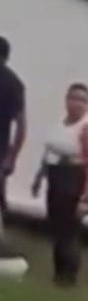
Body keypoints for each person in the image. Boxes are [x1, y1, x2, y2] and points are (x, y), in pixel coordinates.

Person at [31, 83, 88, 287]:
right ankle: (58, 273)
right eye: (74, 98)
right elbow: (50, 152)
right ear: (66, 100)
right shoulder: (61, 124)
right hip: (56, 175)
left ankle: (68, 277)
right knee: (56, 227)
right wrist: (39, 177)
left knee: (68, 230)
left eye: (83, 100)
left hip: (73, 178)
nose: (77, 104)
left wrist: (87, 196)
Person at [0, 36, 27, 228]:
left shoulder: (12, 84)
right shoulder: (16, 84)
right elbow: (22, 125)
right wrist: (12, 156)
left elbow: (21, 124)